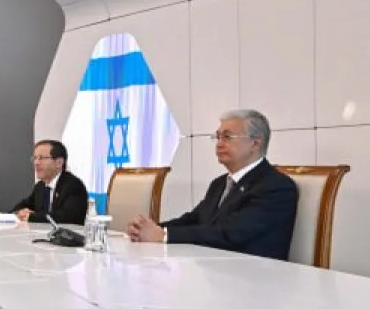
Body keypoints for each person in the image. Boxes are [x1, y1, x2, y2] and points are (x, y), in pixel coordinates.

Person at [126, 108, 298, 260]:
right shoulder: (220, 183)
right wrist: (152, 228)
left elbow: (230, 233)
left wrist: (164, 235)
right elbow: (194, 219)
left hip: (255, 277)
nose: (219, 144)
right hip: (216, 270)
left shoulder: (275, 187)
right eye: (218, 137)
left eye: (227, 137)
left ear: (255, 143)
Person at [13, 140, 90, 226]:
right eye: (35, 158)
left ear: (59, 162)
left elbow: (67, 217)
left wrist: (31, 216)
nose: (36, 163)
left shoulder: (74, 186)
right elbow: (23, 206)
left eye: (41, 158)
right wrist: (19, 213)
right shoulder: (40, 186)